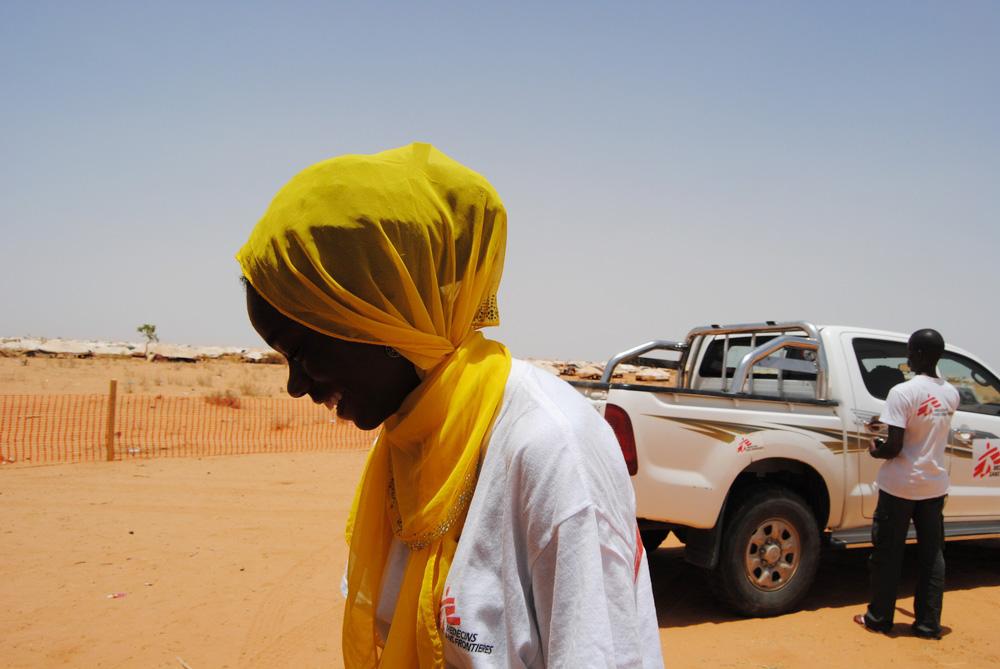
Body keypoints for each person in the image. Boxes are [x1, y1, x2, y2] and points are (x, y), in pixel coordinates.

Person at [236, 143, 663, 668]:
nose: (296, 386)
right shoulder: (412, 433)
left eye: (303, 352)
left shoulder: (550, 450)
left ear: (385, 319)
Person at [854, 328, 959, 639]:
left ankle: (879, 619)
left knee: (888, 554)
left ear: (922, 354)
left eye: (912, 351)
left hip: (899, 486)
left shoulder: (902, 392)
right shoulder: (951, 393)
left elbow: (894, 446)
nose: (908, 357)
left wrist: (875, 448)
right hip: (933, 486)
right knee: (932, 556)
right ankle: (928, 624)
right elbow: (927, 430)